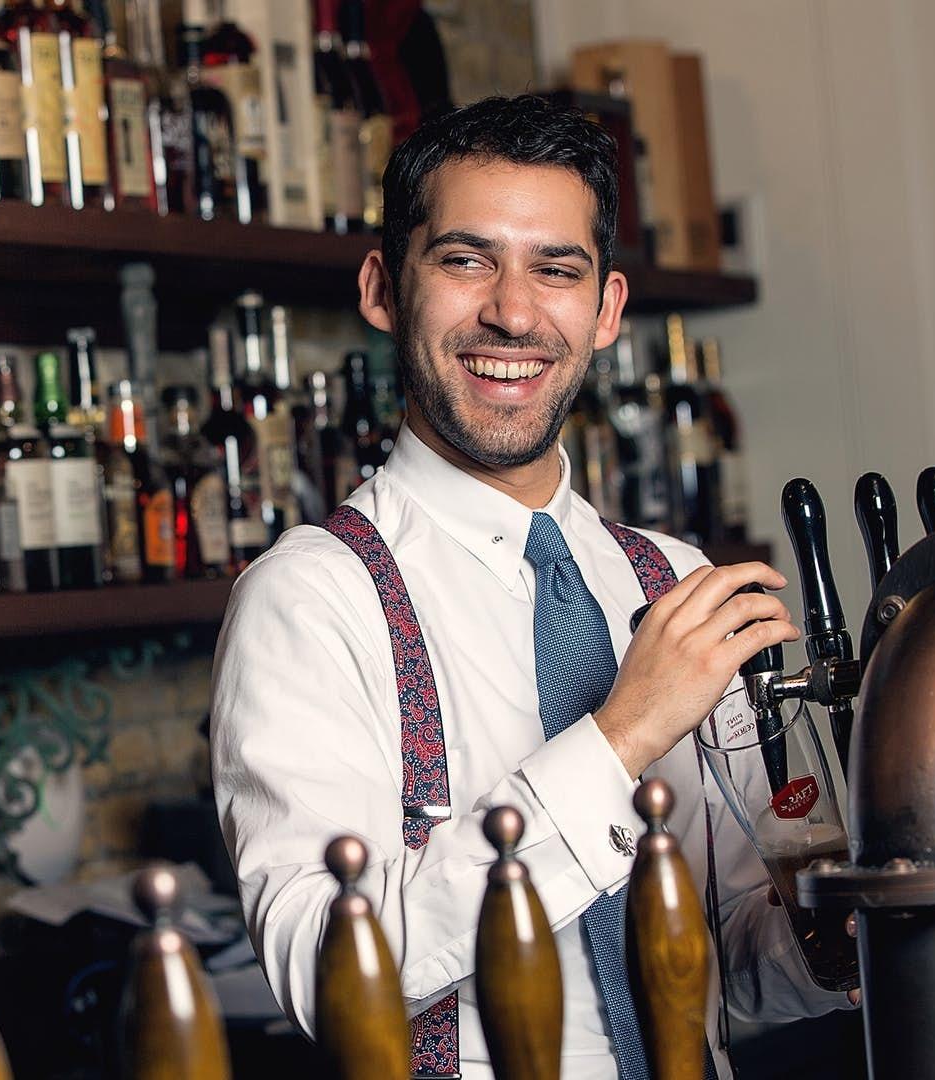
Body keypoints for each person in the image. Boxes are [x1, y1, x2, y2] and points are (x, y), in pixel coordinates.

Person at [210, 95, 852, 1080]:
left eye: (557, 269)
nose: (514, 310)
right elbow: (326, 975)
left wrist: (858, 906)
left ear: (606, 311)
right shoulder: (311, 599)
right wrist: (622, 734)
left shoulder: (672, 581)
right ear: (384, 288)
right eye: (467, 260)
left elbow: (736, 959)